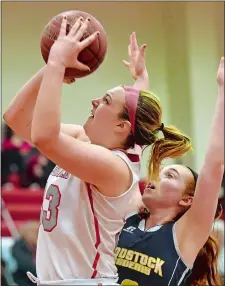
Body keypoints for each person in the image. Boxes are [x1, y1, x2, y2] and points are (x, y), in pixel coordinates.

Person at [3, 17, 192, 285]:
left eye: (104, 101)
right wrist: (49, 68)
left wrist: (58, 64)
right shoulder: (87, 141)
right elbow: (15, 119)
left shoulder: (114, 167)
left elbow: (44, 136)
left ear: (121, 126)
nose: (94, 101)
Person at [116, 57, 224, 286]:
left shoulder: (185, 234)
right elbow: (129, 150)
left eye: (170, 176)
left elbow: (214, 166)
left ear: (187, 200)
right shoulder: (131, 215)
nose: (156, 177)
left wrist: (223, 91)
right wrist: (140, 83)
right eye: (162, 172)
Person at [12, 221, 39, 286]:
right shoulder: (19, 246)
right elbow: (26, 265)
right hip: (25, 280)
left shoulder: (38, 245)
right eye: (37, 232)